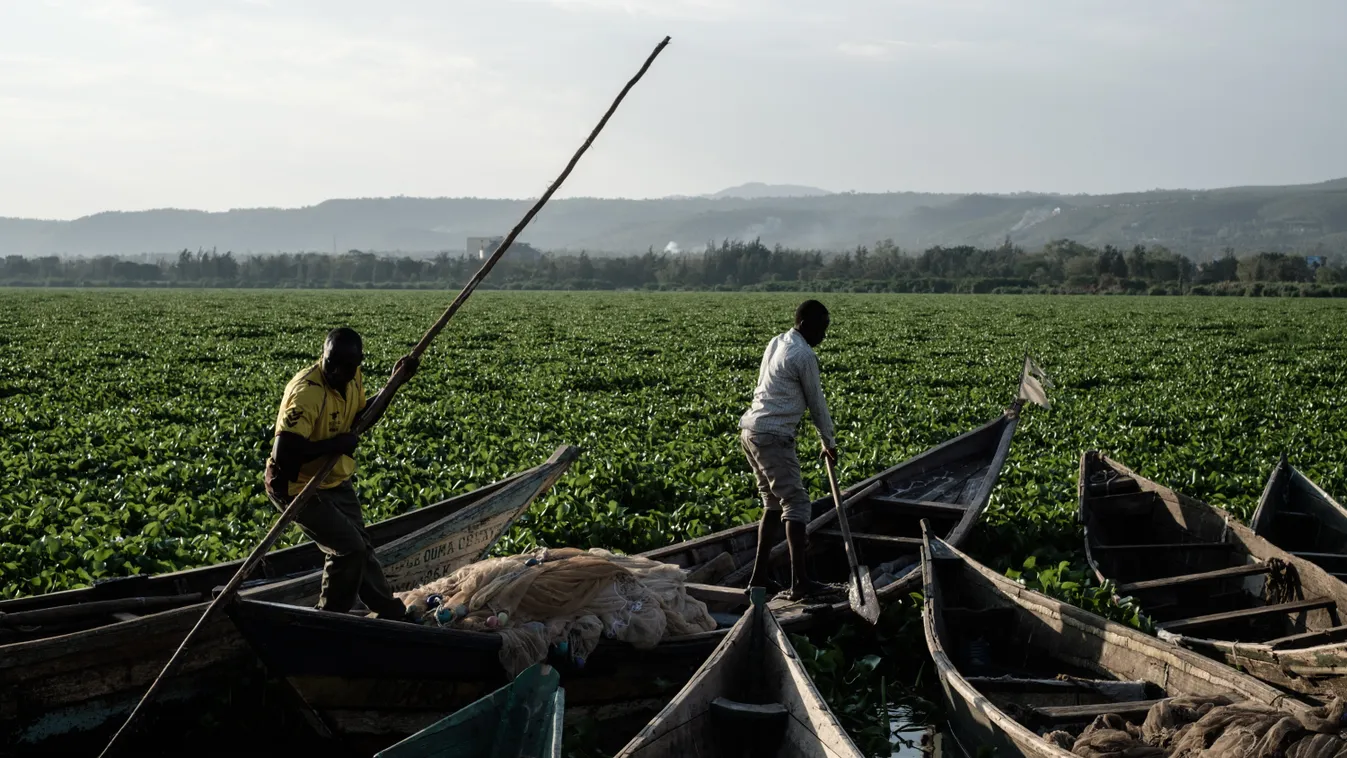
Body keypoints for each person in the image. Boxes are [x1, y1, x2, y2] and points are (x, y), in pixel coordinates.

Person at [264, 327, 419, 620]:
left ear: (356, 365)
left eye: (346, 367)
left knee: (362, 546)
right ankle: (329, 617)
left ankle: (387, 610)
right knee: (348, 548)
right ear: (325, 357)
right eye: (331, 363)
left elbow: (361, 419)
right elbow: (283, 455)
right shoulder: (307, 393)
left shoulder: (352, 378)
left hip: (334, 479)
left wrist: (393, 384)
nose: (336, 371)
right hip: (296, 485)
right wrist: (335, 444)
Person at [739, 299, 838, 601]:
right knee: (796, 503)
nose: (824, 336)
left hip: (750, 430)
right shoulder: (803, 354)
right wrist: (829, 442)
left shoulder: (778, 341)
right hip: (772, 435)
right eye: (822, 329)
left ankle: (758, 579)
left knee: (772, 503)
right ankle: (801, 583)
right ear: (806, 325)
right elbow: (816, 403)